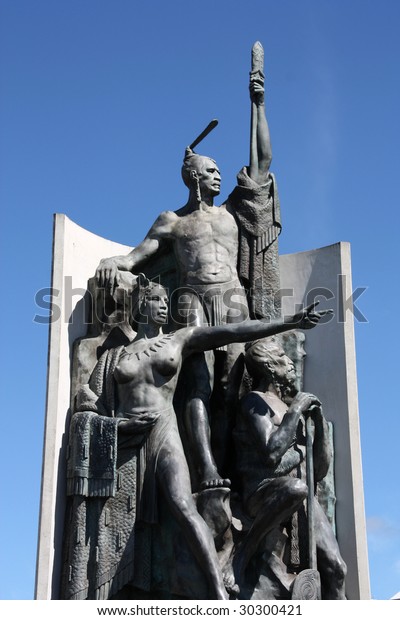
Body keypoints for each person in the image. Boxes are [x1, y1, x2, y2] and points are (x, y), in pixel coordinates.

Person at [62, 276, 328, 600]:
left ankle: (217, 588)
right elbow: (91, 395)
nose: (164, 307)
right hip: (125, 438)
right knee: (117, 521)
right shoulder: (114, 355)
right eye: (157, 300)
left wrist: (291, 321)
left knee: (182, 504)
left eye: (165, 301)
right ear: (140, 305)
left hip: (162, 428)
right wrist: (93, 414)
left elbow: (233, 332)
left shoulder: (179, 339)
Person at [95, 69, 281, 491]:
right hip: (191, 298)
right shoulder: (172, 220)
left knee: (230, 389)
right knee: (197, 383)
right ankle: (205, 470)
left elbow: (263, 162)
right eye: (211, 170)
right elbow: (135, 257)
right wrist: (113, 261)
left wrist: (258, 105)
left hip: (231, 295)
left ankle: (231, 468)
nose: (220, 175)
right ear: (195, 177)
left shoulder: (234, 210)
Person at [233, 338, 347, 599]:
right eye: (284, 358)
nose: (291, 363)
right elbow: (271, 454)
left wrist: (318, 424)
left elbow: (318, 471)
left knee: (337, 568)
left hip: (301, 494)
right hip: (264, 491)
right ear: (271, 368)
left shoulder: (291, 407)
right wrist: (295, 411)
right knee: (296, 488)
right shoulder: (254, 402)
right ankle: (243, 555)